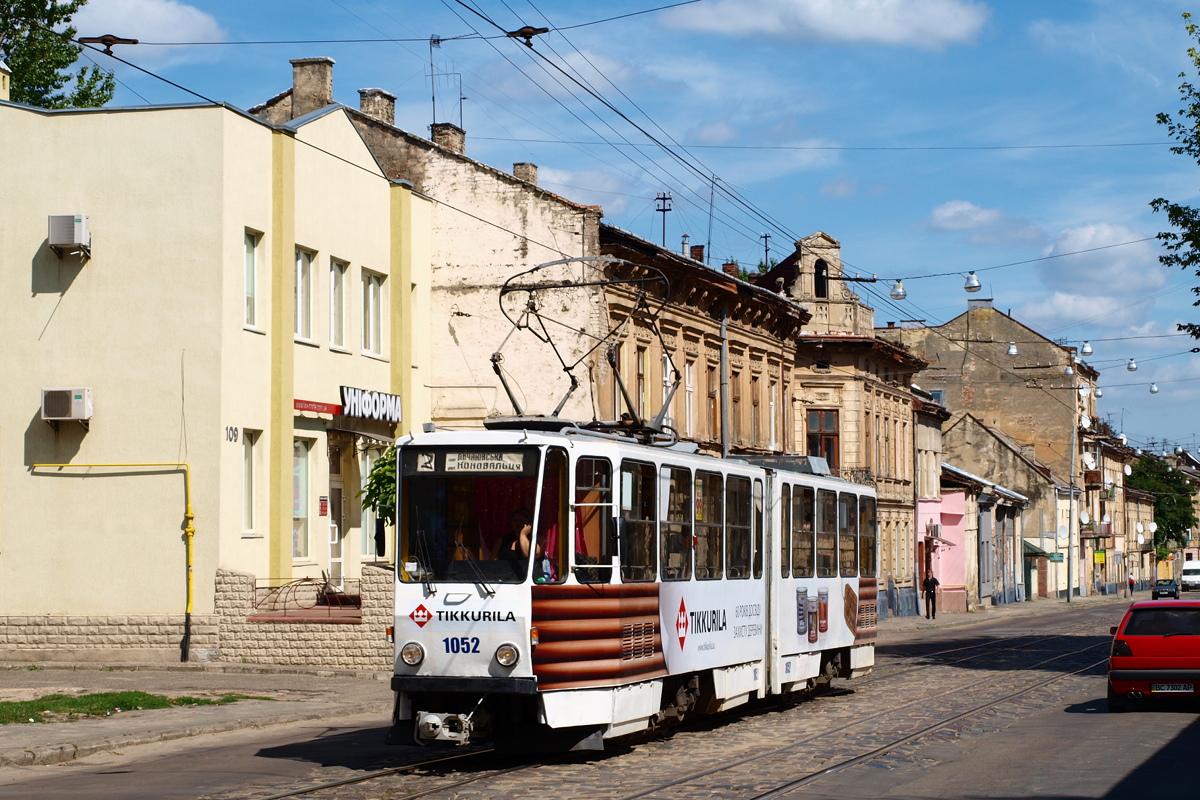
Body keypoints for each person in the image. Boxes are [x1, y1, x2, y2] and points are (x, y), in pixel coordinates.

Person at [497, 509, 533, 578]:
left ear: (528, 524)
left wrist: (523, 535)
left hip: (526, 579)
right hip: (504, 578)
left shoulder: (536, 539)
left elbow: (528, 555)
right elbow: (493, 561)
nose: (518, 523)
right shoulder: (503, 540)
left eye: (521, 520)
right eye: (515, 520)